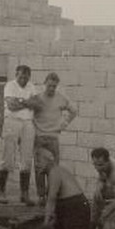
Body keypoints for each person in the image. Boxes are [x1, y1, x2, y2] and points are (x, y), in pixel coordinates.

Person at [31, 72, 77, 206]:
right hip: (39, 138)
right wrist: (34, 127)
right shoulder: (37, 98)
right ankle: (41, 196)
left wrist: (64, 124)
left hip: (53, 138)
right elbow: (29, 115)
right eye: (50, 86)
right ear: (45, 83)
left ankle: (52, 196)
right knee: (39, 169)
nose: (51, 89)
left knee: (54, 169)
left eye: (54, 86)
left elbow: (73, 111)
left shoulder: (61, 98)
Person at [41, 153, 90, 229]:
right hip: (67, 207)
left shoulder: (54, 171)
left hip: (76, 207)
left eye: (38, 160)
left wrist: (46, 222)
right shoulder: (52, 173)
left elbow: (51, 199)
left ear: (49, 161)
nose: (36, 164)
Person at [0, 65, 37, 205]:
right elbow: (11, 106)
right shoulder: (10, 85)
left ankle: (24, 194)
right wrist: (27, 102)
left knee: (26, 158)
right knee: (8, 156)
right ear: (16, 74)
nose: (23, 79)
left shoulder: (32, 87)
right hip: (12, 121)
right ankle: (0, 192)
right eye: (21, 76)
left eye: (26, 76)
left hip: (28, 122)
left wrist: (20, 101)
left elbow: (36, 104)